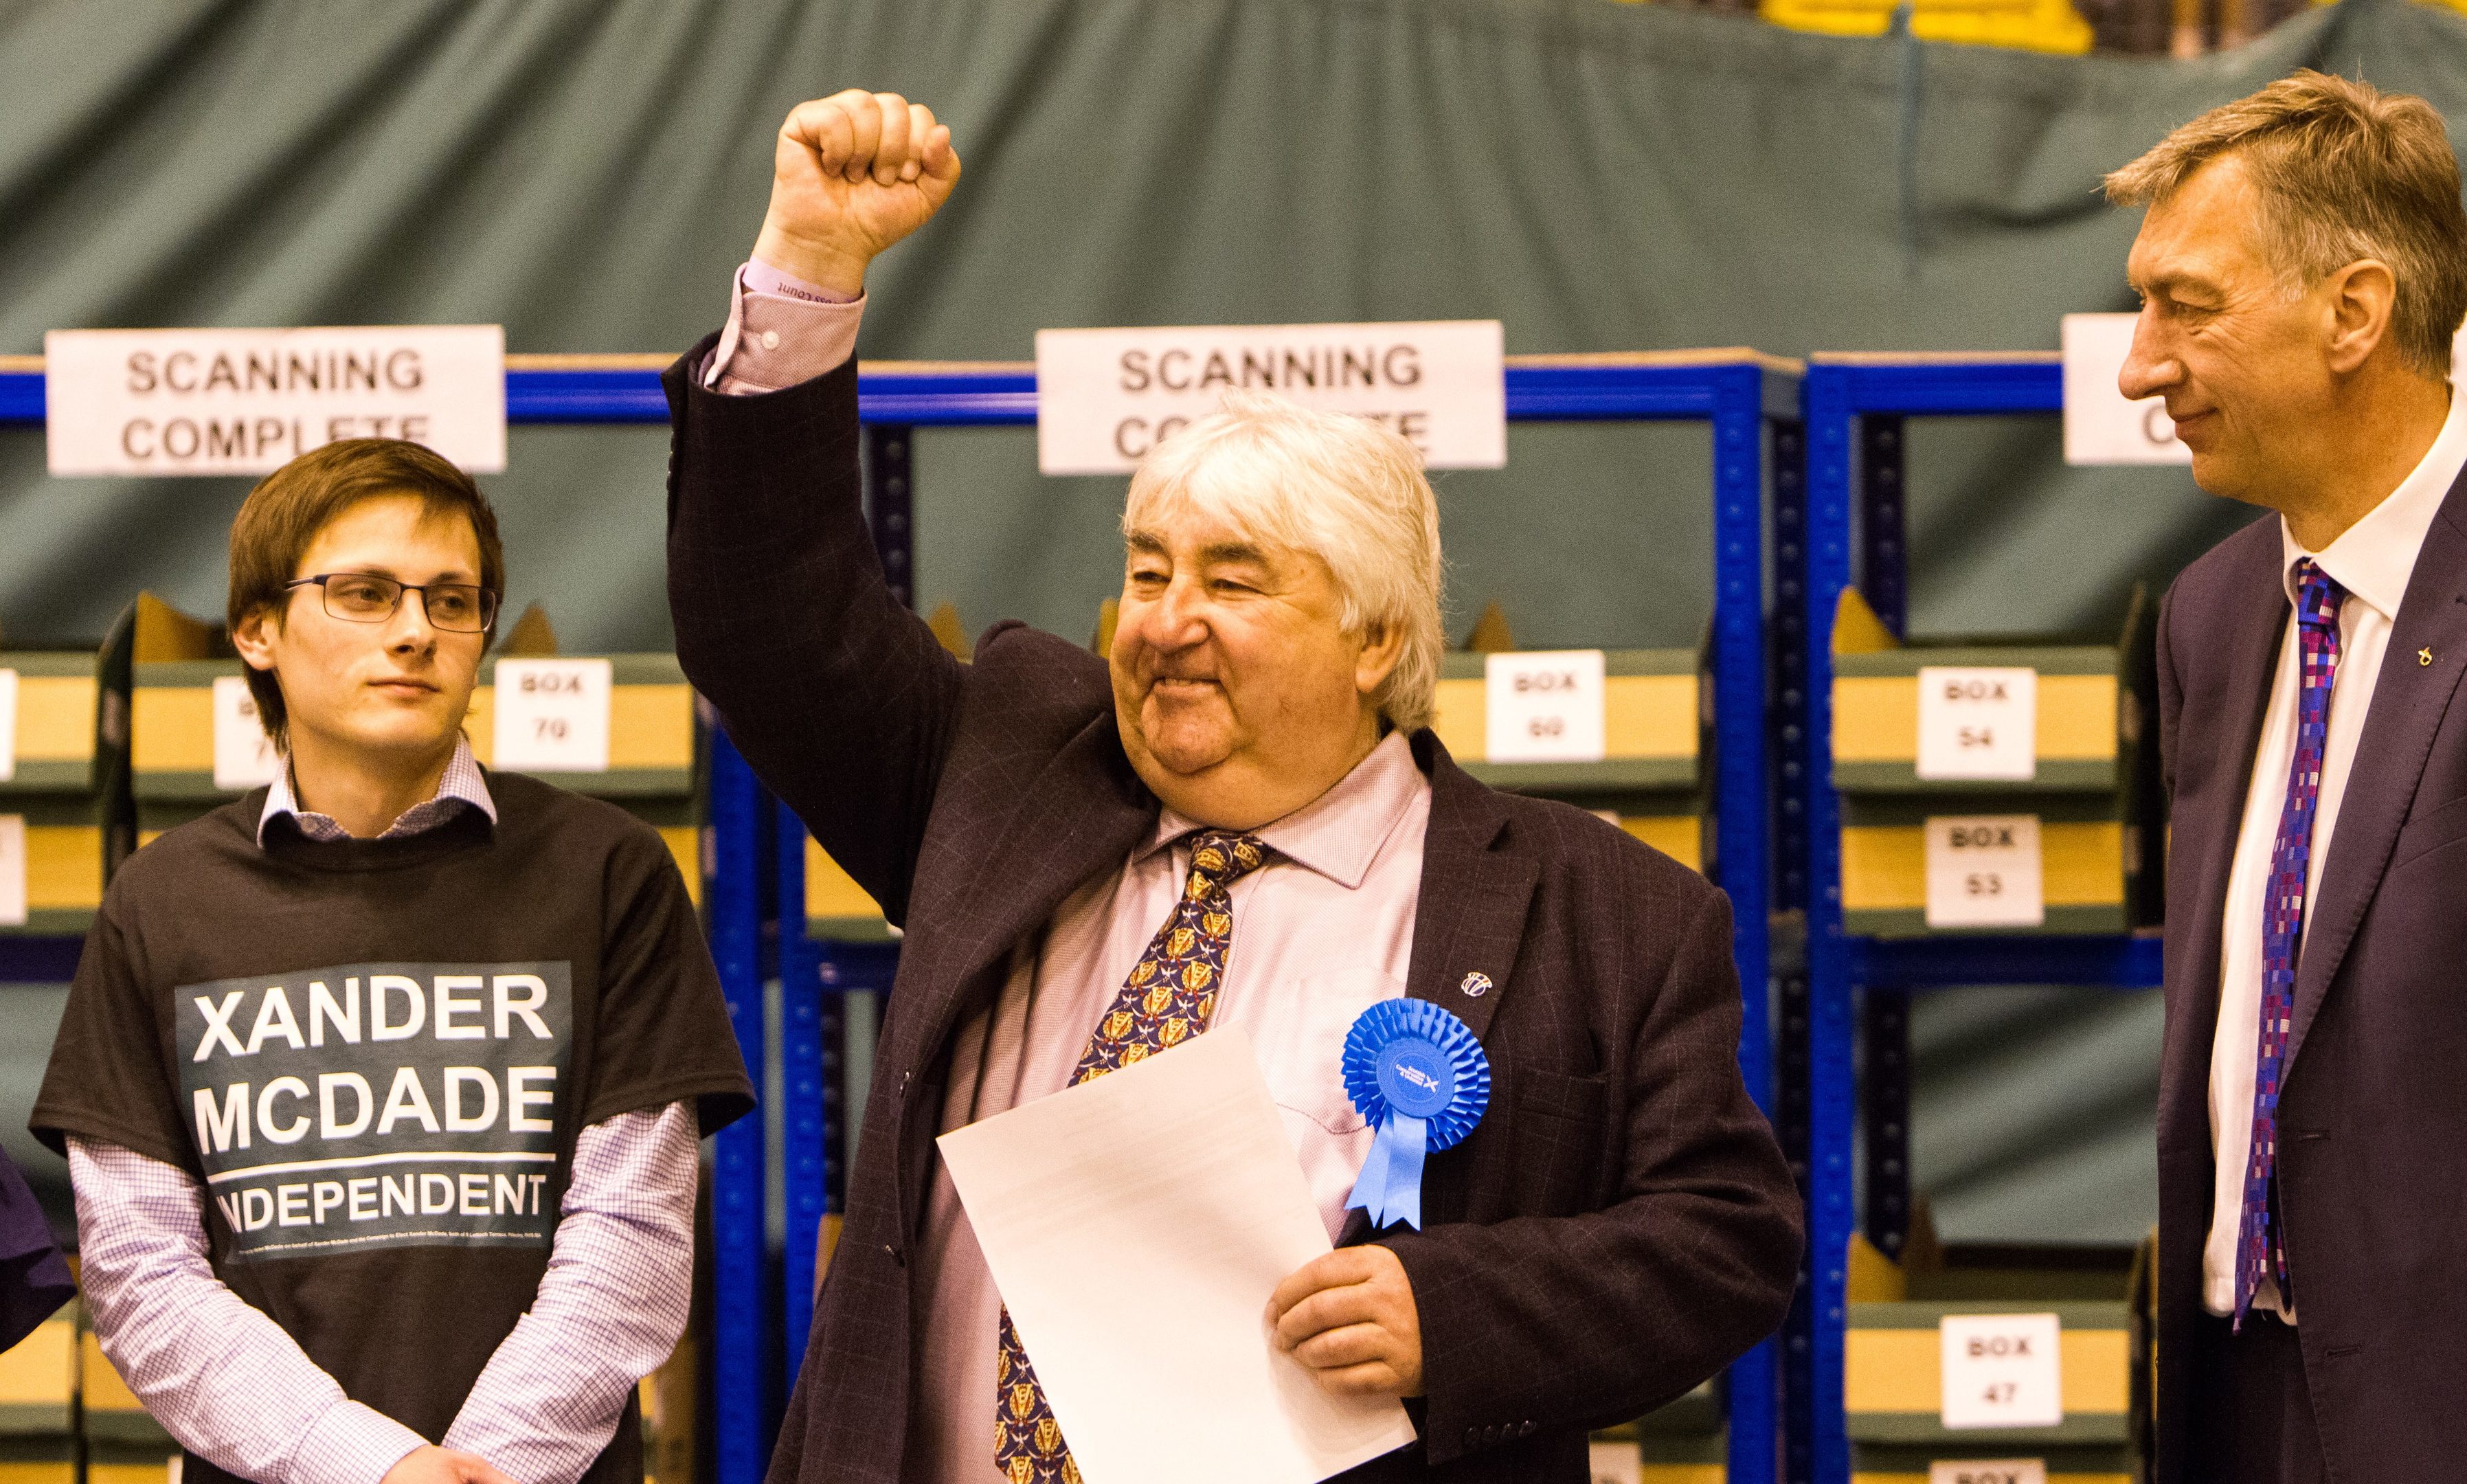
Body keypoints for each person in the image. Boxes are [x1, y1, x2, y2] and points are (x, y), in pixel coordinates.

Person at [666, 89, 1800, 1484]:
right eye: (1146, 569)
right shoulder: (1007, 777)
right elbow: (765, 627)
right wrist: (809, 261)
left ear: (1378, 638)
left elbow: (1723, 1239)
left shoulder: (1606, 911)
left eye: (1234, 579)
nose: (1162, 618)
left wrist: (1450, 1312)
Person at [32, 439, 754, 1484]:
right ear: (256, 630)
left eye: (453, 601)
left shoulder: (609, 876)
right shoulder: (161, 901)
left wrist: (473, 1471)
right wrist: (368, 1467)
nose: (417, 632)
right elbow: (144, 1274)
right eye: (365, 593)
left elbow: (631, 1241)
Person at [2112, 73, 2467, 1483]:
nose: (2140, 365)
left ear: (2351, 312)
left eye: (2184, 305)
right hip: (2238, 1391)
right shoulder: (2209, 615)